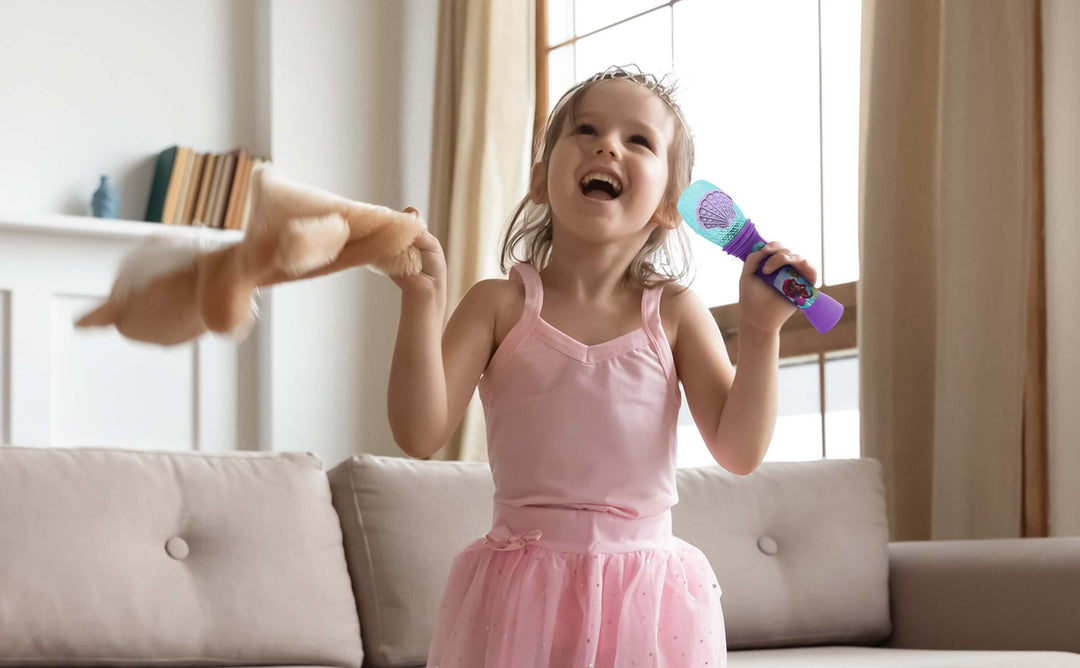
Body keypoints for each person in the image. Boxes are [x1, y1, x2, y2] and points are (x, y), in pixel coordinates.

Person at [387, 65, 818, 667]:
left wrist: (761, 329)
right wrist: (423, 301)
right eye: (586, 129)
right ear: (540, 181)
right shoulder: (497, 305)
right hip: (517, 597)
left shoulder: (675, 313)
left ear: (670, 205)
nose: (607, 144)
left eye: (638, 140)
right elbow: (419, 432)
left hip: (647, 600)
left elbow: (738, 452)